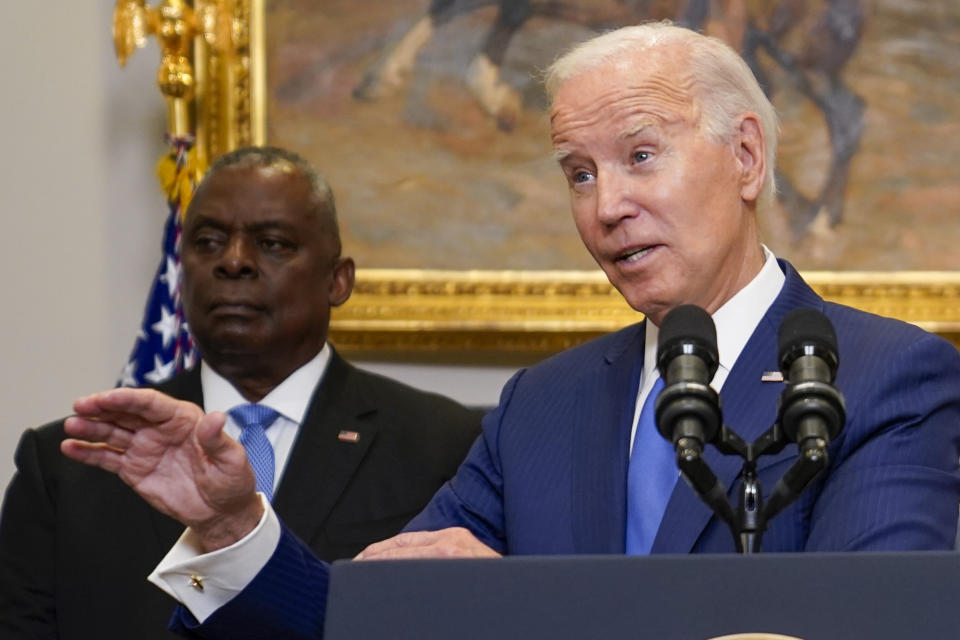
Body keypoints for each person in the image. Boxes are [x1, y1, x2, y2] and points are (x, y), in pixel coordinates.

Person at [60, 22, 960, 639]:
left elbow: (875, 622)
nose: (608, 207)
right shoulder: (543, 404)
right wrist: (232, 526)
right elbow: (370, 620)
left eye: (640, 156)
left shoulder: (885, 377)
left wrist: (523, 614)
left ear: (746, 157)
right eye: (578, 173)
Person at [0, 146, 482, 639]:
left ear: (338, 281)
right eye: (208, 241)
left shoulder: (442, 446)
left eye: (272, 243)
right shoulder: (70, 463)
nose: (233, 262)